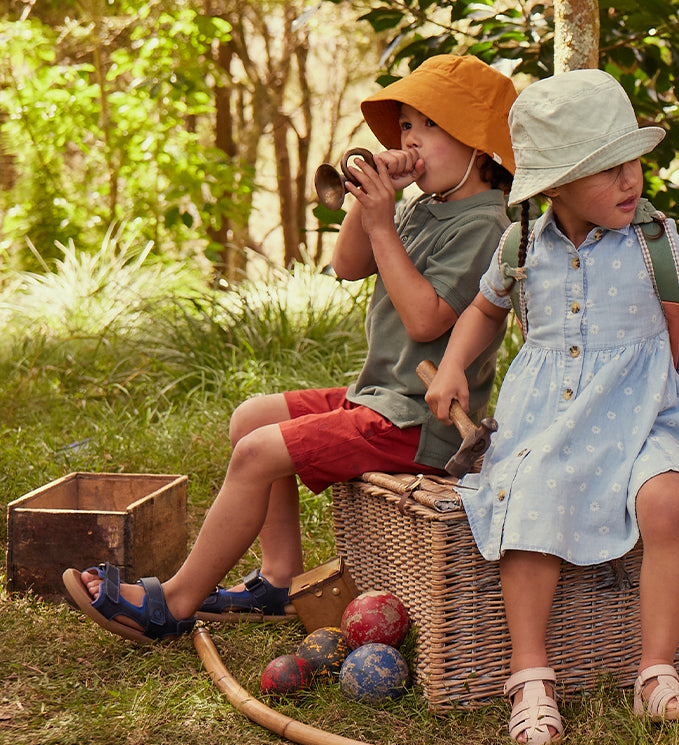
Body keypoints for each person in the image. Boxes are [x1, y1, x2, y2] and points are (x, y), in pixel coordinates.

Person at [62, 55, 518, 642]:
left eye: (427, 126)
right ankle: (279, 580)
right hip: (380, 398)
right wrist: (367, 200)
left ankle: (173, 603)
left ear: (477, 144)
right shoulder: (425, 208)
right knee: (250, 417)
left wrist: (383, 223)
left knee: (256, 454)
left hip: (416, 421)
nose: (409, 141)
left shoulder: (485, 225)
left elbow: (427, 319)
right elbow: (347, 265)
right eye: (404, 126)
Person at [423, 69, 679, 745]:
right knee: (531, 498)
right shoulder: (520, 247)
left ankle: (656, 672)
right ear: (556, 187)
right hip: (548, 421)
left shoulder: (654, 239)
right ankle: (530, 673)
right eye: (607, 171)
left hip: (643, 418)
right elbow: (485, 309)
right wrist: (453, 364)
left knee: (668, 497)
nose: (630, 181)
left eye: (631, 162)